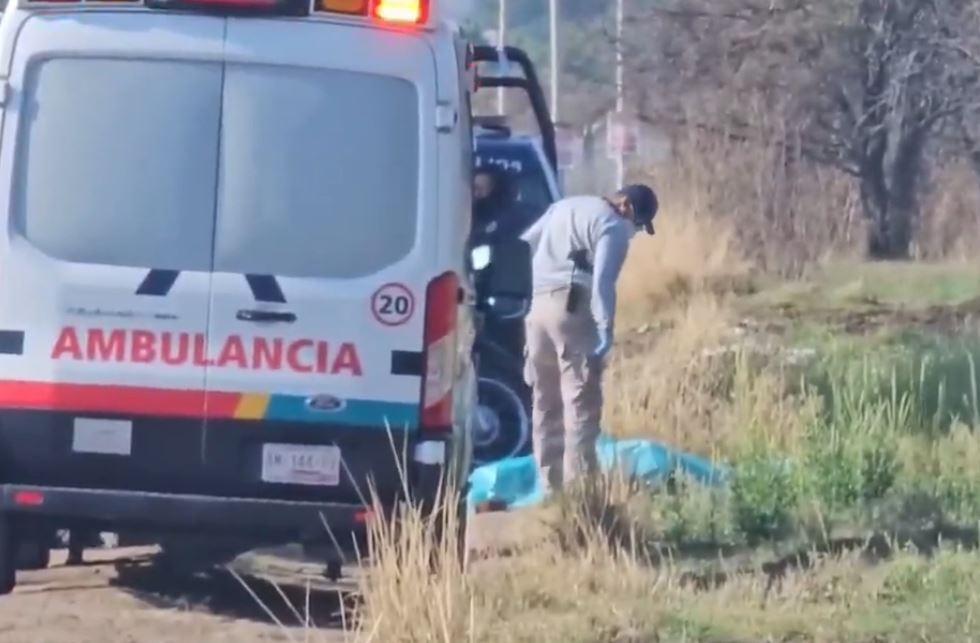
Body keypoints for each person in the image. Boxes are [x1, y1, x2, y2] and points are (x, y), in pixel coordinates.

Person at [520, 184, 658, 494]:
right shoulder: (612, 224)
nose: (633, 231)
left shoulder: (563, 207)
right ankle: (580, 493)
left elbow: (525, 243)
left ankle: (550, 488)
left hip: (536, 309)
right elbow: (602, 284)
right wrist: (605, 329)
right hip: (573, 306)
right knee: (580, 402)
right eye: (637, 223)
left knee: (544, 401)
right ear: (625, 205)